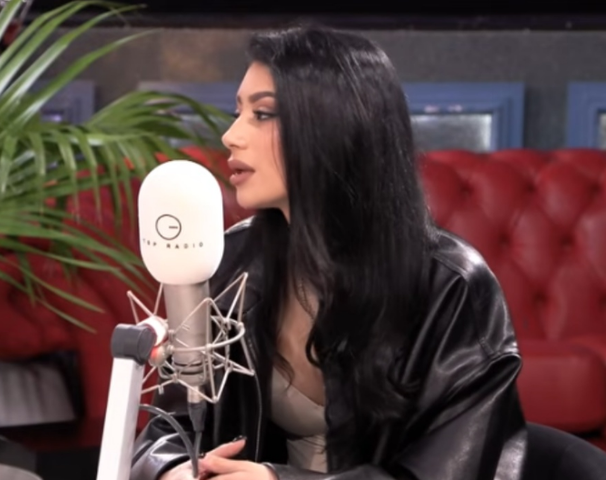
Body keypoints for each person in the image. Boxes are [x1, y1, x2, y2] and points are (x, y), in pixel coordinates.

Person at [130, 24, 527, 480]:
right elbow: (167, 429)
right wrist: (173, 469)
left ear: (333, 126)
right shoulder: (229, 261)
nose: (231, 136)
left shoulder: (452, 286)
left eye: (263, 114)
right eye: (237, 112)